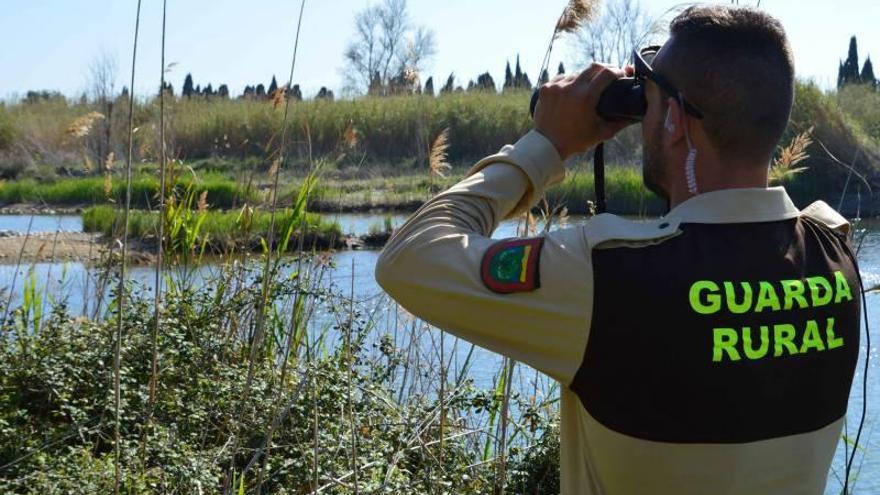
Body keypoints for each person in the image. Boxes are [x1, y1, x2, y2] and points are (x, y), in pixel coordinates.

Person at [375, 5, 861, 494]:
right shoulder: (837, 256)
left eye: (645, 102)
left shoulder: (607, 276)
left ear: (673, 119)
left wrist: (544, 144)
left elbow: (411, 255)